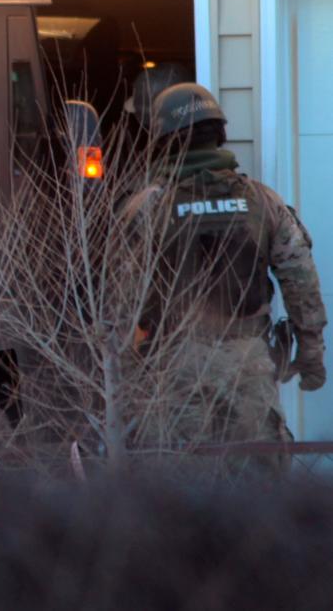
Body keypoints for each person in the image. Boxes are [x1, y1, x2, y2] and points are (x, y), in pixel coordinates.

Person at [120, 84, 326, 468]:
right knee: (260, 487)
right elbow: (301, 280)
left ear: (163, 141)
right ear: (220, 134)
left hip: (173, 366)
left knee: (179, 489)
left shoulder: (147, 207)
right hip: (248, 364)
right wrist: (311, 352)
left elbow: (120, 300)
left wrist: (126, 368)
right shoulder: (262, 200)